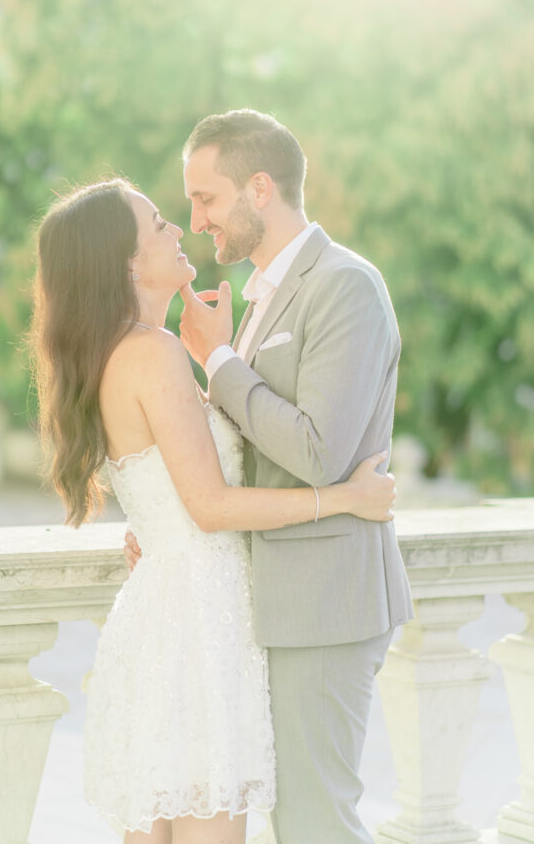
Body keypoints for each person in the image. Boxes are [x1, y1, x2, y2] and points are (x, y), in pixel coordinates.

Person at [30, 177, 398, 844]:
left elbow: (171, 492)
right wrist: (344, 497)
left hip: (165, 609)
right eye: (159, 225)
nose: (178, 231)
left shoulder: (119, 353)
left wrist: (211, 356)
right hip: (198, 619)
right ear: (125, 260)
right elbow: (208, 504)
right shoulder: (150, 354)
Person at [129, 108, 414, 844]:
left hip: (323, 603)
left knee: (315, 824)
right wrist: (168, 517)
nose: (196, 222)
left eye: (206, 199)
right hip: (265, 601)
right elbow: (239, 445)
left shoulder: (344, 286)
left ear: (260, 188)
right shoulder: (258, 296)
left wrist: (218, 363)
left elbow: (318, 449)